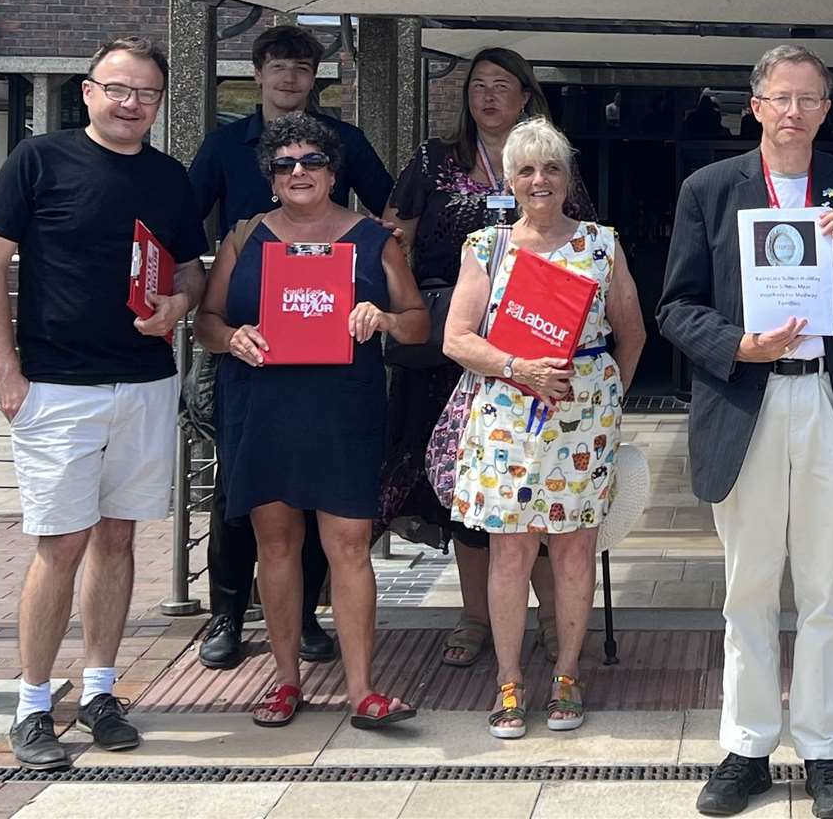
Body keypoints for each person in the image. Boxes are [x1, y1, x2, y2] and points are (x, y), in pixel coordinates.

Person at [657, 45, 833, 818]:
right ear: (756, 104)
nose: (794, 112)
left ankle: (829, 750)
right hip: (748, 398)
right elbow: (676, 306)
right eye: (780, 97)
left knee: (826, 587)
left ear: (828, 111)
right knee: (749, 586)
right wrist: (737, 345)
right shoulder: (709, 188)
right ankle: (747, 745)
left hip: (832, 401)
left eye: (809, 99)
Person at [0, 37, 209, 770]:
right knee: (59, 544)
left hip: (142, 380)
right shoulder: (39, 159)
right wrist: (5, 368)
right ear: (87, 91)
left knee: (116, 539)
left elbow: (192, 268)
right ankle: (33, 702)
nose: (131, 103)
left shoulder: (170, 178)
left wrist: (177, 304)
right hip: (56, 384)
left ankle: (102, 690)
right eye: (119, 89)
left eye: (146, 94)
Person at [194, 112, 428, 728]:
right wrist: (231, 337)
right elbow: (207, 322)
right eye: (284, 164)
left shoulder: (375, 240)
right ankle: (284, 680)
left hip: (343, 408)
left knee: (348, 545)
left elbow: (418, 322)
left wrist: (382, 318)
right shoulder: (244, 237)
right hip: (262, 405)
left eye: (312, 162)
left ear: (333, 171)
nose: (299, 173)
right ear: (270, 175)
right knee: (276, 544)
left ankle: (362, 690)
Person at [189, 24, 395, 671]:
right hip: (249, 345)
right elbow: (183, 218)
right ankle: (226, 614)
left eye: (301, 68)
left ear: (316, 78)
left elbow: (391, 212)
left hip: (329, 349)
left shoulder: (346, 143)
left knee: (315, 493)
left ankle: (304, 615)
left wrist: (374, 282)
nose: (288, 79)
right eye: (278, 66)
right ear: (257, 72)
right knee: (237, 490)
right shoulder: (224, 145)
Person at [382, 49, 596, 669]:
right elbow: (392, 239)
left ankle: (556, 622)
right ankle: (475, 616)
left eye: (502, 86)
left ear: (526, 95)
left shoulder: (549, 163)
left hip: (535, 359)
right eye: (478, 86)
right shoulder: (433, 159)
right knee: (469, 499)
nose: (488, 97)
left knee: (547, 493)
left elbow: (582, 255)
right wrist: (414, 307)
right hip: (451, 352)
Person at [444, 118, 645, 739]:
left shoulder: (600, 244)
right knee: (510, 548)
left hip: (581, 418)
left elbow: (632, 333)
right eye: (526, 170)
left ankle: (566, 673)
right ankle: (509, 679)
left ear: (567, 177)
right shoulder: (486, 246)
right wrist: (518, 367)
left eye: (551, 168)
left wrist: (605, 400)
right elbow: (456, 338)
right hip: (508, 415)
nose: (539, 181)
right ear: (509, 179)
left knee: (575, 546)